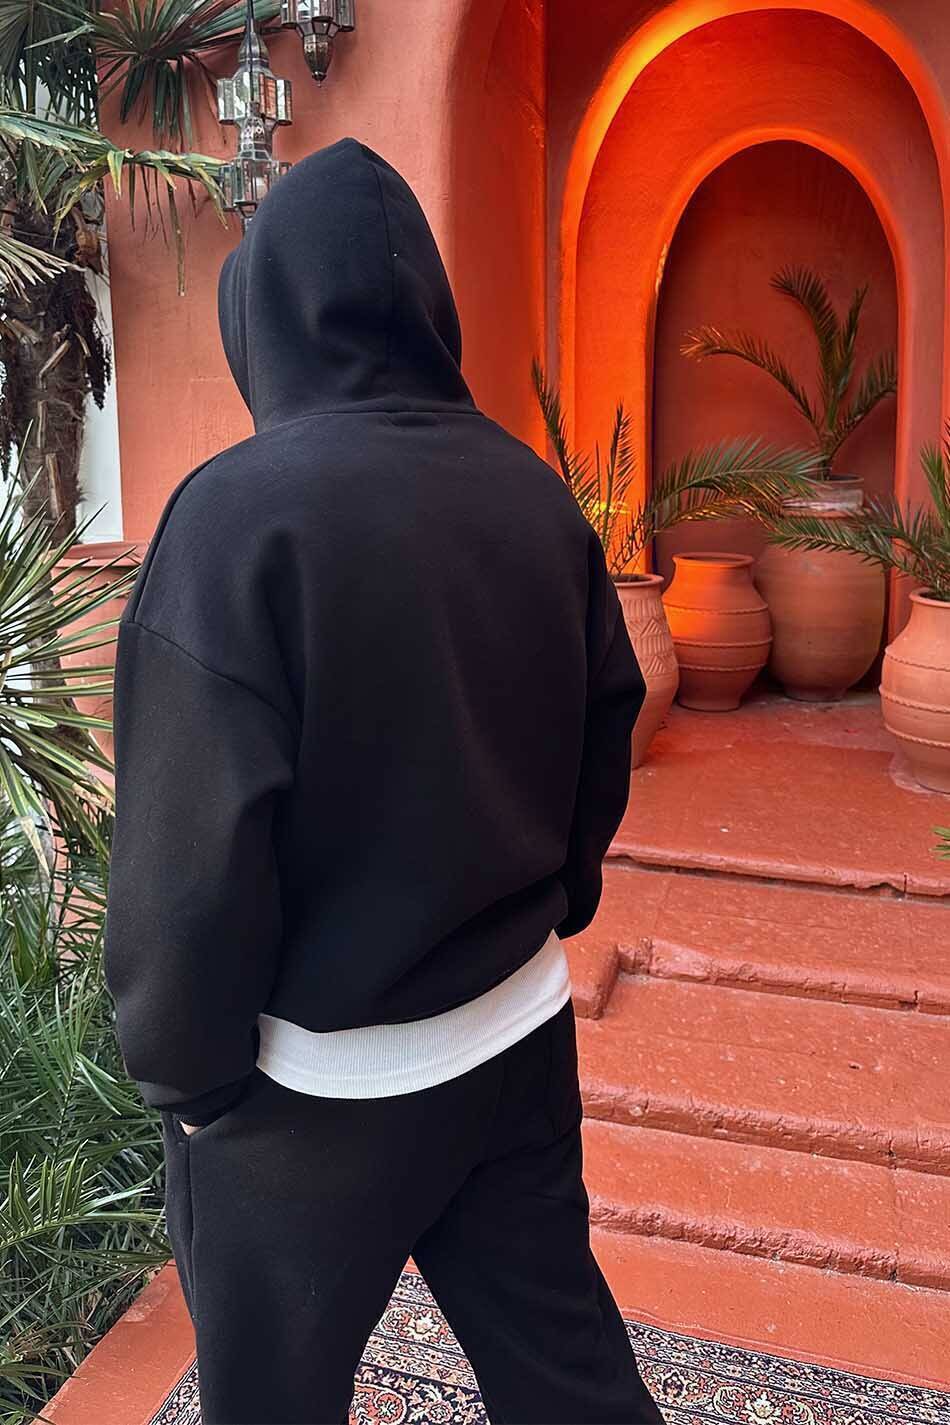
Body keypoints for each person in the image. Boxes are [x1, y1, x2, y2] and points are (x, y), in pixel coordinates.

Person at [104, 137, 661, 1425]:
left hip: (311, 1100)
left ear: (267, 314)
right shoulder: (534, 496)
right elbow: (607, 720)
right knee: (568, 1375)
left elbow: (185, 867)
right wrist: (551, 905)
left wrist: (191, 1087)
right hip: (515, 1035)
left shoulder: (234, 524)